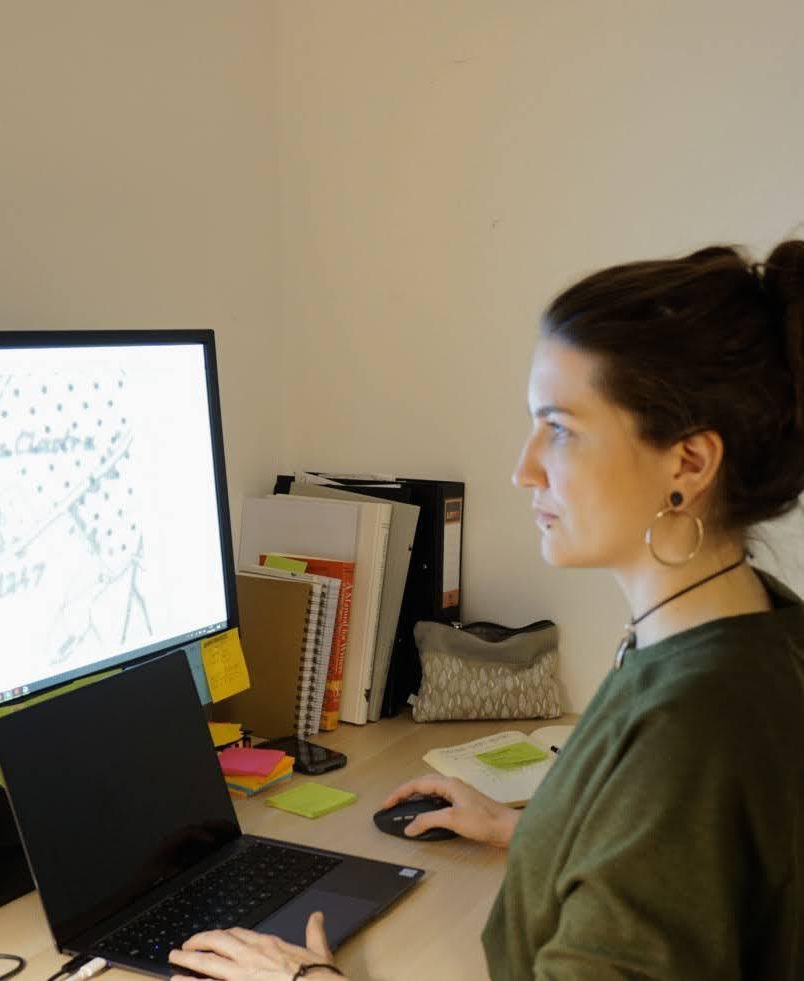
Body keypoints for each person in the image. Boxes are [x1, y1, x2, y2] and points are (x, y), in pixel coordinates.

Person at [168, 241, 804, 981]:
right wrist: (539, 831)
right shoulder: (759, 629)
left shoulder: (691, 729)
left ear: (687, 465)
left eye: (560, 429)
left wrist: (305, 980)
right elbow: (695, 865)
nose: (522, 466)